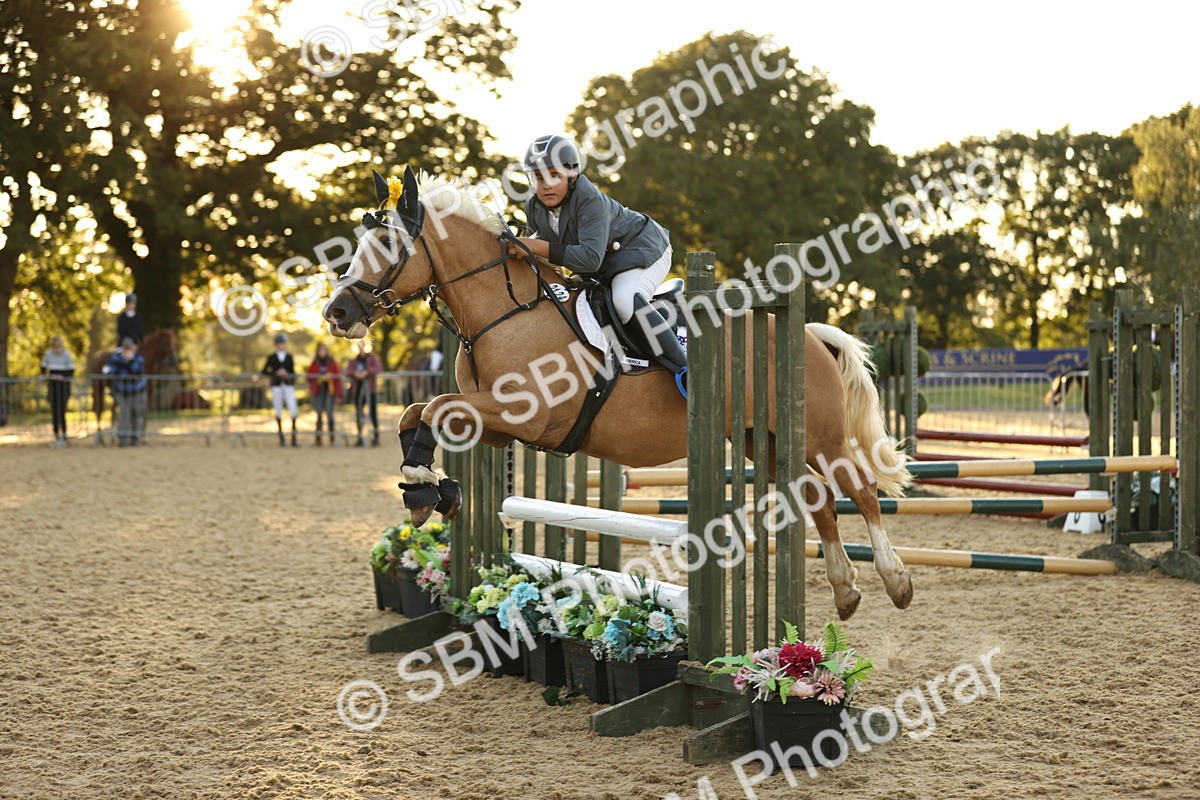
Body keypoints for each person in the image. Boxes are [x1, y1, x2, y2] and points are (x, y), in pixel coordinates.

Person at [507, 134, 686, 378]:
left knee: (623, 301)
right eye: (538, 177)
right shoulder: (533, 206)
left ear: (573, 175)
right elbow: (539, 256)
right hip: (604, 263)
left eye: (554, 175)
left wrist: (534, 246)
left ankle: (685, 368)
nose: (546, 184)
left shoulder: (589, 198)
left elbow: (589, 259)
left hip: (641, 248)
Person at [103, 338, 147, 446]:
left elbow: (136, 371)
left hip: (137, 391)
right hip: (122, 391)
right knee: (124, 414)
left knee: (137, 414)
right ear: (122, 348)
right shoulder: (115, 358)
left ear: (133, 348)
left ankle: (135, 438)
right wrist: (120, 370)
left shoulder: (138, 358)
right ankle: (123, 438)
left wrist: (128, 362)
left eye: (129, 348)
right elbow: (107, 370)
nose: (127, 350)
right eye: (125, 348)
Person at [262, 332, 299, 447]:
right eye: (279, 343)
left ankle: (293, 437)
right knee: (278, 410)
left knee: (293, 409)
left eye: (282, 343)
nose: (281, 345)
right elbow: (264, 371)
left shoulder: (289, 357)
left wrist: (287, 374)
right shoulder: (271, 357)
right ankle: (281, 437)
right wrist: (276, 373)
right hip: (276, 386)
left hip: (288, 385)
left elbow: (293, 372)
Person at [40, 336, 76, 447]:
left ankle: (64, 434)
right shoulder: (48, 355)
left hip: (63, 387)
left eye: (59, 347)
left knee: (62, 411)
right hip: (53, 386)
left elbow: (71, 371)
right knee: (54, 411)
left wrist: (62, 377)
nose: (57, 349)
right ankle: (56, 433)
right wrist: (48, 376)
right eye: (55, 347)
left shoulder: (67, 355)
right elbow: (43, 368)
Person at [346, 343, 383, 447]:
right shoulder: (354, 360)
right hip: (358, 389)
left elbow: (378, 368)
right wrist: (355, 373)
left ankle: (375, 437)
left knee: (373, 413)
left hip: (371, 390)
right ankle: (360, 437)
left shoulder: (372, 359)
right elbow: (348, 370)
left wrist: (367, 372)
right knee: (359, 414)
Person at [306, 342, 343, 446]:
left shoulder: (331, 363)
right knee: (318, 414)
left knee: (329, 414)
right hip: (318, 392)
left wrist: (339, 394)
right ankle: (318, 438)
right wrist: (318, 378)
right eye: (320, 350)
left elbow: (337, 378)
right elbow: (309, 376)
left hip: (329, 392)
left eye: (324, 350)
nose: (322, 352)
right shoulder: (315, 363)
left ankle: (332, 438)